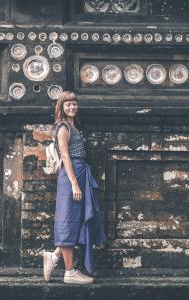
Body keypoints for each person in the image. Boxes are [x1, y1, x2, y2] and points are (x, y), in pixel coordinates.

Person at [42, 91, 106, 284]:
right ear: (61, 107)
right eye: (68, 104)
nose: (72, 107)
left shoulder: (73, 126)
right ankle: (69, 272)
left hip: (79, 172)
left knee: (77, 220)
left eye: (74, 104)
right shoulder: (63, 128)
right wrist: (75, 184)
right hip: (71, 176)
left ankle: (53, 256)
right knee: (68, 221)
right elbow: (65, 156)